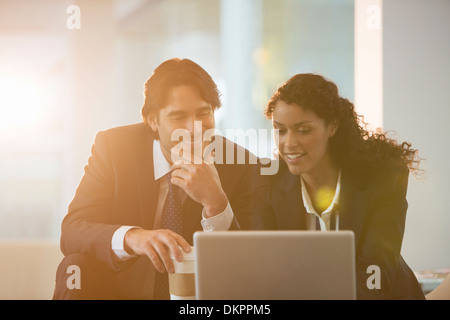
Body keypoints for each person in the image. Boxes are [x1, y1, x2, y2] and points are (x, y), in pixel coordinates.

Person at [53, 58, 254, 299]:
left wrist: (216, 203)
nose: (194, 128)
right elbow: (73, 231)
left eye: (204, 113)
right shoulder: (115, 148)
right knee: (75, 266)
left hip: (195, 298)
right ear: (152, 120)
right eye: (178, 117)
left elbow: (247, 265)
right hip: (120, 291)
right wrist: (132, 237)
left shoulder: (239, 163)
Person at [253, 73, 425, 300]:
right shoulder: (268, 183)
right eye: (280, 130)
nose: (289, 143)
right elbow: (266, 268)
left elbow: (376, 271)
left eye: (303, 130)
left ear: (332, 126)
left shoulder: (382, 177)